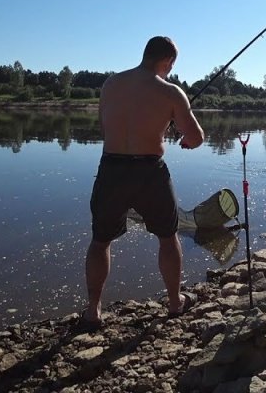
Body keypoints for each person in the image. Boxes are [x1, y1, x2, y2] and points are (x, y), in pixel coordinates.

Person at [81, 36, 205, 329]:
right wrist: (181, 136)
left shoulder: (111, 84)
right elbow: (197, 138)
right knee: (167, 236)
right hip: (150, 172)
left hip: (111, 167)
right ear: (167, 62)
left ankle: (93, 311)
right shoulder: (172, 92)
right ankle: (175, 303)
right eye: (171, 66)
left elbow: (105, 126)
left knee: (100, 242)